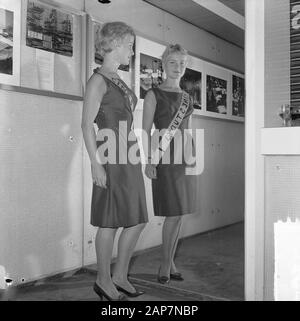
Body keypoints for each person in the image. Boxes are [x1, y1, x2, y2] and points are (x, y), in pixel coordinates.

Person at [81, 21, 148, 301]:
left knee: (136, 219)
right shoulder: (98, 80)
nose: (132, 52)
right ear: (116, 44)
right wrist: (96, 164)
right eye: (130, 46)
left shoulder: (118, 78)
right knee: (109, 221)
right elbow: (86, 125)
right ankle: (103, 280)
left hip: (128, 153)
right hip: (109, 155)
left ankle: (120, 275)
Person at [142, 44, 197, 284]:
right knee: (172, 213)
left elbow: (187, 129)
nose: (178, 68)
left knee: (180, 212)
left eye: (182, 63)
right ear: (163, 64)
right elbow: (144, 130)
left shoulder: (187, 97)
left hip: (184, 156)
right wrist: (149, 160)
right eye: (173, 62)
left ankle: (170, 262)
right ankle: (165, 265)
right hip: (164, 156)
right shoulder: (154, 94)